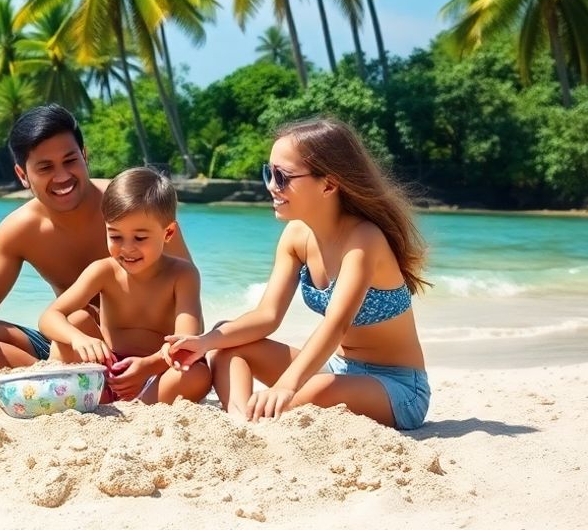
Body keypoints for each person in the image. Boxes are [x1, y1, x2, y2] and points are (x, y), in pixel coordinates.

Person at [163, 118, 431, 430]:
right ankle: (242, 422)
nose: (270, 186)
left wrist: (286, 386)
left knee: (316, 389)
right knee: (226, 341)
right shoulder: (296, 236)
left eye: (282, 177)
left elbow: (336, 325)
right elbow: (267, 315)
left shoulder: (364, 239)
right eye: (269, 172)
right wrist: (204, 341)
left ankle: (264, 417)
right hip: (335, 368)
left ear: (328, 185)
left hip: (397, 387)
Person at [0, 104, 193, 372]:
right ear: (22, 175)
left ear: (84, 156)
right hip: (73, 345)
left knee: (79, 317)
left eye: (70, 161)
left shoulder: (133, 205)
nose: (62, 176)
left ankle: (75, 381)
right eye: (45, 168)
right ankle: (59, 381)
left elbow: (184, 285)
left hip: (149, 353)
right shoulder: (20, 230)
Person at [39, 167, 211, 404]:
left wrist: (147, 367)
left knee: (197, 375)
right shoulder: (103, 270)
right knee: (76, 321)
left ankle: (136, 403)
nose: (127, 248)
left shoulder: (183, 275)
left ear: (168, 233)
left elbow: (185, 340)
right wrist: (78, 338)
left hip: (158, 370)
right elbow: (49, 317)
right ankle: (97, 392)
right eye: (116, 236)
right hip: (109, 368)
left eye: (140, 238)